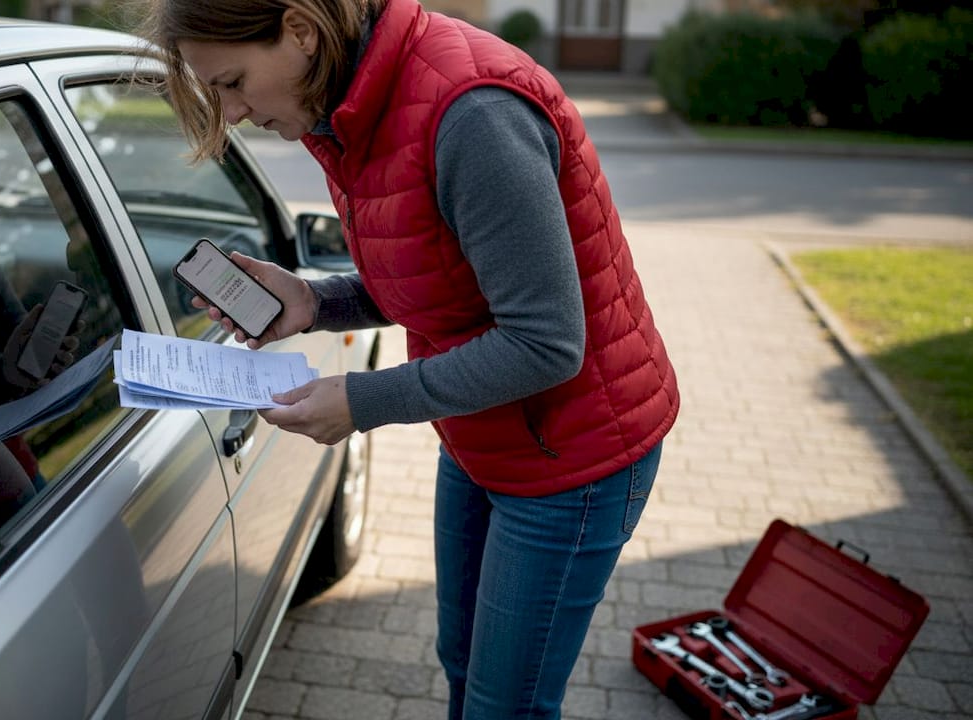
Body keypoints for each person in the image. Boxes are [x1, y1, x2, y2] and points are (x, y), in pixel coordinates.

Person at [139, 0, 679, 717]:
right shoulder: (351, 106)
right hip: (483, 431)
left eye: (233, 81)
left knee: (503, 704)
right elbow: (442, 274)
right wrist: (314, 301)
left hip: (570, 458)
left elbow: (545, 342)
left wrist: (362, 402)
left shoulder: (474, 114)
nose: (232, 112)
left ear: (300, 30)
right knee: (462, 665)